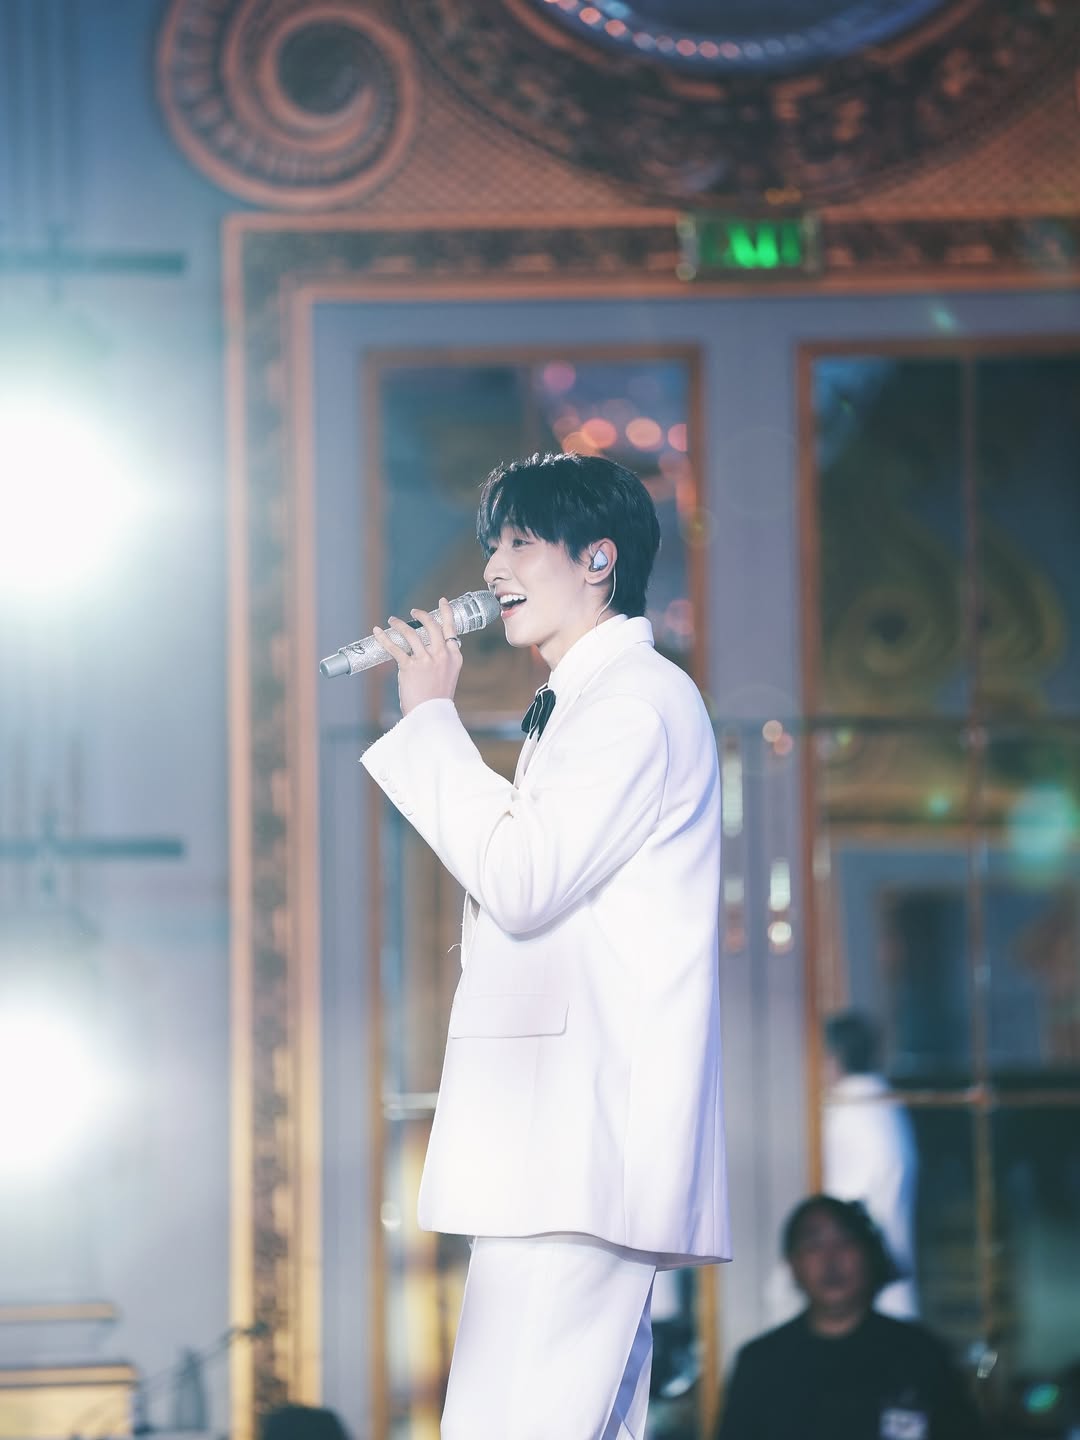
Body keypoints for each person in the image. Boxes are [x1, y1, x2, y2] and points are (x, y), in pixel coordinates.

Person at [360, 451, 729, 1440]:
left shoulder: (634, 701)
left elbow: (523, 882)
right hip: (560, 1154)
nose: (494, 570)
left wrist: (431, 717)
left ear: (598, 559)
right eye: (493, 546)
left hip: (580, 1150)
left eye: (522, 543)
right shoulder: (596, 700)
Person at [715, 1195, 984, 1440]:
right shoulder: (760, 1363)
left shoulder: (920, 1353)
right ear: (792, 1265)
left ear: (868, 1255)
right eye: (813, 1245)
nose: (831, 1260)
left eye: (845, 1241)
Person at [824, 1009, 919, 1318]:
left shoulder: (851, 1111)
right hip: (884, 1267)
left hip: (864, 1274)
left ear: (834, 1058)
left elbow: (845, 1201)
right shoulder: (883, 1103)